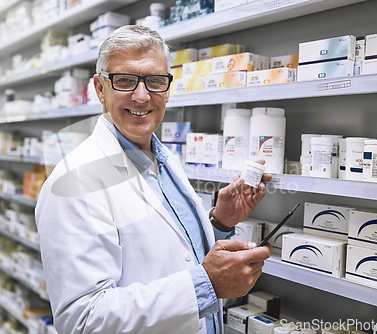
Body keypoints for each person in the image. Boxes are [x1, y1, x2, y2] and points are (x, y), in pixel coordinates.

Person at [35, 25, 272, 334]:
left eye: (156, 81)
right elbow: (82, 320)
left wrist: (219, 223)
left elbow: (176, 257)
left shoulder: (164, 158)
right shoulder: (72, 184)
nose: (142, 95)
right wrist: (204, 285)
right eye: (124, 80)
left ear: (168, 88)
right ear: (99, 88)